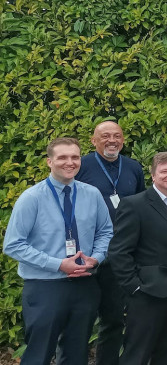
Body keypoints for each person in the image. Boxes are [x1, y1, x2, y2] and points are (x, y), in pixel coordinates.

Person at [3, 137, 113, 365]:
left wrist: (97, 258)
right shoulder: (31, 198)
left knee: (76, 353)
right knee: (38, 354)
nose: (69, 162)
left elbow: (105, 232)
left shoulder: (92, 194)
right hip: (45, 287)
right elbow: (13, 244)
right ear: (49, 162)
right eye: (62, 157)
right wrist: (58, 264)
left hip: (84, 285)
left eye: (75, 157)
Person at [109, 152, 167, 365]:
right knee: (137, 354)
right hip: (147, 293)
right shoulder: (134, 204)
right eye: (164, 171)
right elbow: (119, 251)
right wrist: (134, 287)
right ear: (153, 175)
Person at [76, 121, 145, 365]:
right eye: (105, 136)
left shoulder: (133, 168)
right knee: (79, 320)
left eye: (117, 136)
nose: (112, 140)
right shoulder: (81, 166)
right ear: (94, 141)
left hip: (120, 255)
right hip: (85, 254)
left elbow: (141, 206)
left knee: (113, 319)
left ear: (123, 140)